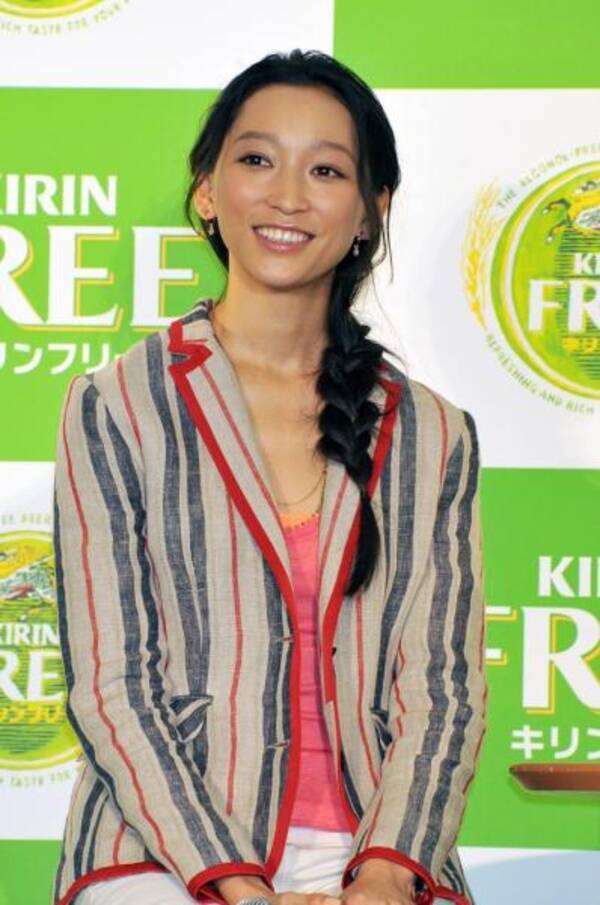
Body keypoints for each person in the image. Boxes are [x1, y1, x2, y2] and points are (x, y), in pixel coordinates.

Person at [51, 49, 487, 905]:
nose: (287, 195)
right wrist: (239, 888)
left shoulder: (434, 433)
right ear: (207, 191)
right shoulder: (116, 404)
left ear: (371, 213)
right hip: (164, 849)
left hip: (376, 849)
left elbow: (443, 688)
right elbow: (114, 687)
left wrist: (387, 875)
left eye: (326, 170)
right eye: (257, 159)